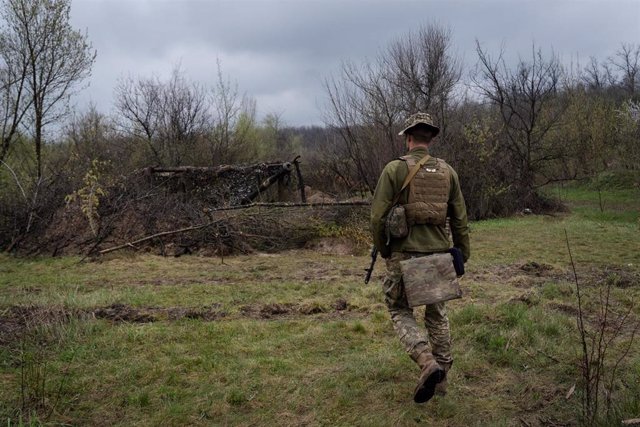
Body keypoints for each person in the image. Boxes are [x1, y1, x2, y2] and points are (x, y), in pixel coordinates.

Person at [370, 112, 470, 403]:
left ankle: (427, 363)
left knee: (399, 310)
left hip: (404, 256)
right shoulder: (448, 172)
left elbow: (377, 218)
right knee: (437, 314)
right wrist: (463, 254)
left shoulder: (394, 170)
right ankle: (442, 381)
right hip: (439, 254)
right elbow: (460, 219)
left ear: (409, 138)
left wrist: (386, 250)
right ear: (431, 138)